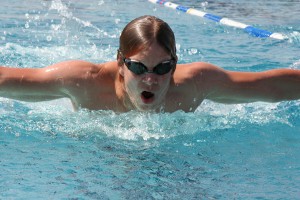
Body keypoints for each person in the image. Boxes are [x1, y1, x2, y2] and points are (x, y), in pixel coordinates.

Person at [0, 15, 300, 112]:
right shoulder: (83, 82)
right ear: (120, 62)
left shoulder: (195, 84)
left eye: (162, 68)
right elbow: (7, 80)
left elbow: (269, 87)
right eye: (139, 68)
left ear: (174, 63)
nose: (151, 79)